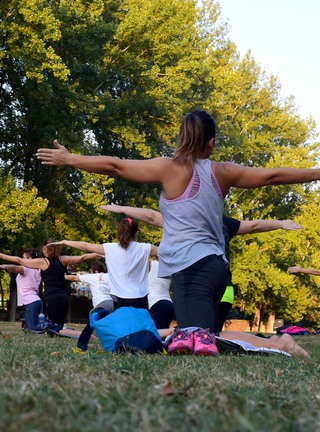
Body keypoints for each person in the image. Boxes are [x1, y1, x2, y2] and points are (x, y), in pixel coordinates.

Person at [36, 109, 320, 356]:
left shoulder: (167, 168)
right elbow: (272, 176)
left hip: (192, 269)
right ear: (210, 143)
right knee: (196, 334)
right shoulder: (224, 171)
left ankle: (280, 344)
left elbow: (115, 166)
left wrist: (71, 159)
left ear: (182, 138)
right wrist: (316, 172)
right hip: (214, 267)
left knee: (200, 336)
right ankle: (277, 343)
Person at [102, 204, 302, 331]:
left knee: (198, 332)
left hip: (198, 283)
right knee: (213, 333)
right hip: (225, 286)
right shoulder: (225, 223)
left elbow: (153, 217)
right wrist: (280, 223)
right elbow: (254, 226)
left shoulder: (187, 222)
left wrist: (122, 209)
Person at [47, 218, 158, 310]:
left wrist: (65, 241)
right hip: (141, 297)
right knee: (139, 328)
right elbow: (168, 252)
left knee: (124, 330)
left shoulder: (110, 248)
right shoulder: (146, 248)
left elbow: (85, 246)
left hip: (120, 298)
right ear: (136, 233)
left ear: (119, 233)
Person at [0, 240, 100, 334]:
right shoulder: (63, 259)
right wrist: (98, 253)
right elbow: (82, 257)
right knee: (58, 327)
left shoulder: (43, 262)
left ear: (45, 249)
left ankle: (77, 333)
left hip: (53, 298)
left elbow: (19, 260)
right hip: (63, 298)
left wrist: (2, 255)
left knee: (53, 329)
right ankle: (69, 330)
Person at [65, 260, 114, 353]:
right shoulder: (109, 276)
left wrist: (59, 276)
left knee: (90, 325)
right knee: (109, 326)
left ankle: (81, 347)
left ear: (93, 270)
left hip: (101, 304)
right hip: (112, 303)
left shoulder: (92, 276)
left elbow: (74, 278)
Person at [0, 249, 46, 333]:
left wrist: (2, 266)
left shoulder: (26, 269)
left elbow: (14, 268)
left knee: (32, 328)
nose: (22, 260)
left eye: (24, 258)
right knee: (28, 327)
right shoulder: (38, 271)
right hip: (35, 301)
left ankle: (50, 325)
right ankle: (45, 323)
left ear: (30, 259)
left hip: (30, 302)